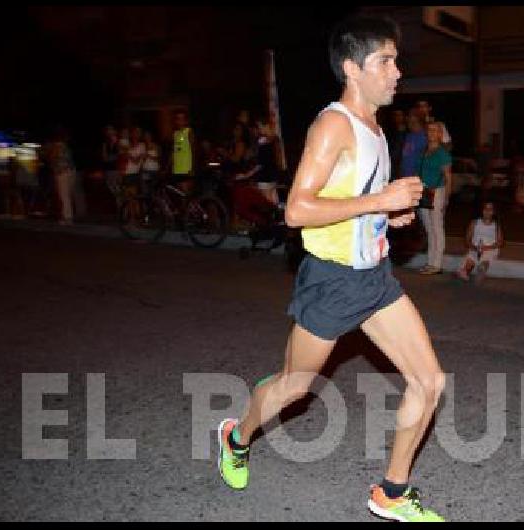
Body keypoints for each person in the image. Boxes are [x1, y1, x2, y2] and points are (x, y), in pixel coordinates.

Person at [215, 16, 446, 522]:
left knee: (429, 382)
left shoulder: (375, 129)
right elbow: (297, 211)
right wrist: (379, 199)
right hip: (332, 281)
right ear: (351, 68)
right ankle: (235, 436)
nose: (397, 71)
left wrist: (387, 212)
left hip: (375, 278)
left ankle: (391, 492)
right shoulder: (333, 125)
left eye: (395, 60)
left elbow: (355, 202)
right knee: (294, 387)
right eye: (385, 61)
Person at [417, 121, 452, 274]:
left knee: (437, 228)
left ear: (439, 134)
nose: (431, 133)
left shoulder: (442, 153)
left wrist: (446, 198)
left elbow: (448, 177)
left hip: (437, 191)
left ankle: (437, 264)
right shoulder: (425, 151)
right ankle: (431, 262)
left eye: (434, 130)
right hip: (424, 191)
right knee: (429, 229)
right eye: (429, 130)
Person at [455, 200, 504, 283]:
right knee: (471, 259)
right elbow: (467, 239)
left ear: (493, 212)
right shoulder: (474, 223)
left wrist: (487, 247)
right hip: (475, 247)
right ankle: (466, 271)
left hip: (489, 249)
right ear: (482, 210)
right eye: (486, 209)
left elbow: (500, 242)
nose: (488, 211)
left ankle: (481, 270)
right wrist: (474, 247)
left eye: (490, 209)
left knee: (485, 260)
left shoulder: (496, 225)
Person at [171, 109, 195, 195]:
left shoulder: (189, 131)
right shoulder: (175, 134)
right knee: (179, 194)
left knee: (186, 194)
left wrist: (192, 167)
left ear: (186, 120)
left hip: (186, 169)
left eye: (182, 119)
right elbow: (174, 152)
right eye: (178, 119)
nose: (180, 121)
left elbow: (193, 150)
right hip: (177, 169)